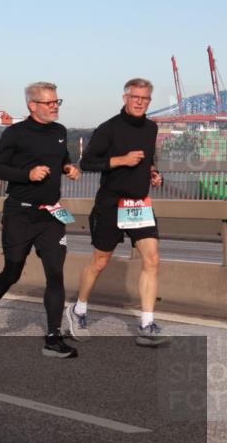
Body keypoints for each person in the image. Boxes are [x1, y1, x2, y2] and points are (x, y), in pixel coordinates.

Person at [0, 82, 81, 358]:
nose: (55, 106)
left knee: (55, 273)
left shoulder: (59, 131)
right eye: (50, 102)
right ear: (33, 106)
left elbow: (62, 158)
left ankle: (53, 338)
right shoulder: (16, 133)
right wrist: (28, 174)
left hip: (52, 214)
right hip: (20, 213)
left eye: (58, 101)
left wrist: (68, 168)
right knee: (13, 271)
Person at [69, 78, 170, 347]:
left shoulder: (151, 128)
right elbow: (87, 162)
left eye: (145, 98)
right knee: (100, 262)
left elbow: (148, 159)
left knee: (153, 259)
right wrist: (121, 160)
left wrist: (154, 173)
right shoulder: (108, 128)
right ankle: (78, 309)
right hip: (111, 205)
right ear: (125, 98)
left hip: (139, 205)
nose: (139, 102)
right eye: (135, 97)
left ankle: (147, 324)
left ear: (150, 101)